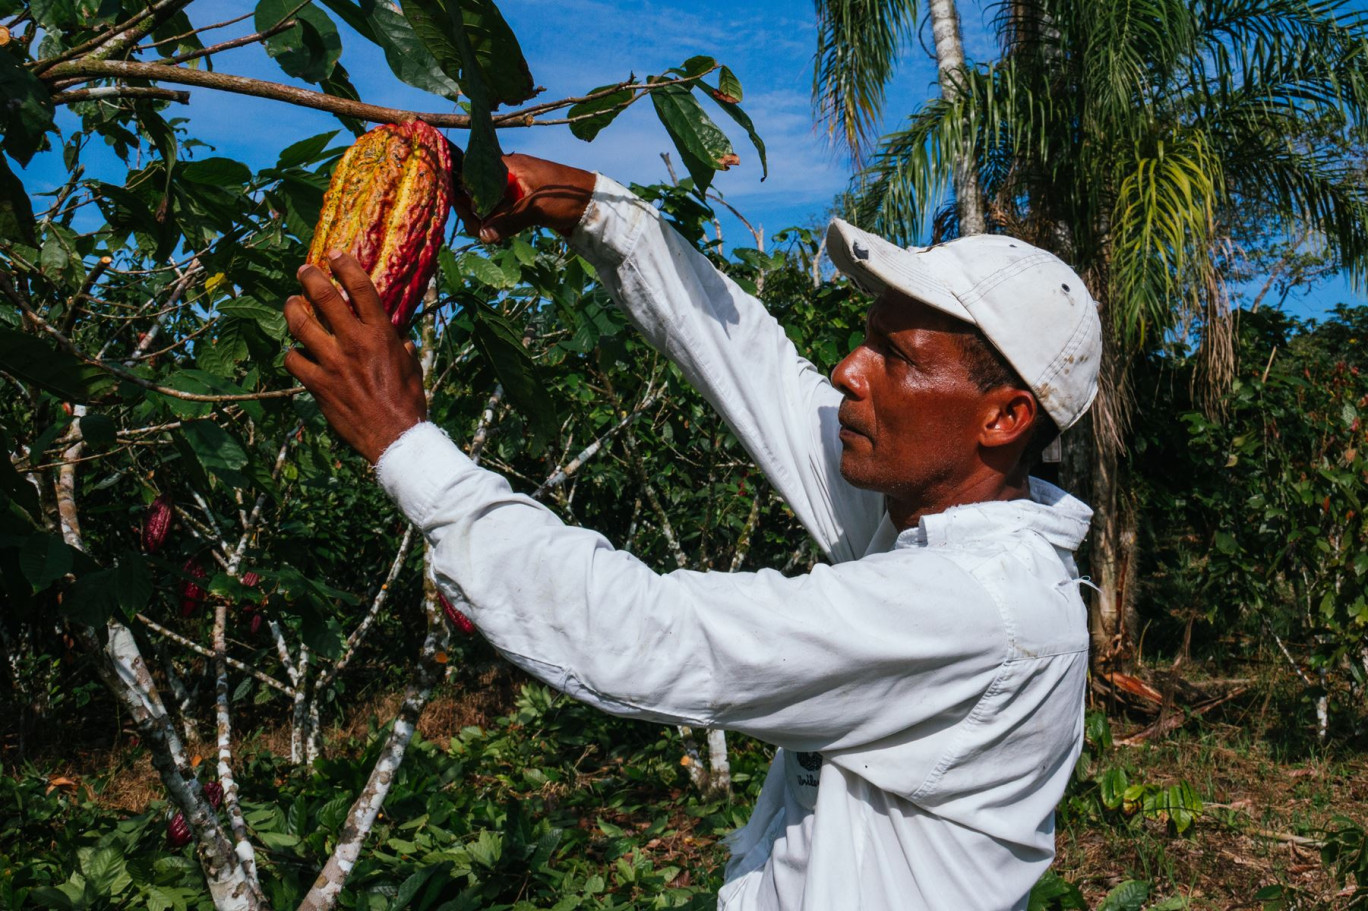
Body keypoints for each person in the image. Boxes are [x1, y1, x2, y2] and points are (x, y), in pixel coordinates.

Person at [283, 154, 1103, 911]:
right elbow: (752, 363)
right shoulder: (925, 517)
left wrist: (406, 444)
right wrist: (591, 210)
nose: (851, 370)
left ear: (1002, 417)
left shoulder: (979, 610)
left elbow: (649, 632)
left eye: (897, 355)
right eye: (867, 338)